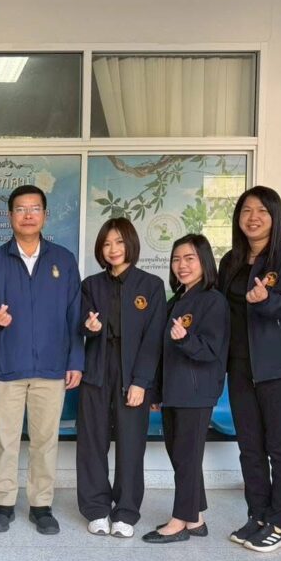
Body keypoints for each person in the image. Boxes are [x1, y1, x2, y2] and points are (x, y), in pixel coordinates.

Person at [0, 184, 84, 535]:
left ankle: (41, 505)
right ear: (10, 216)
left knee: (45, 441)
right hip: (6, 366)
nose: (28, 215)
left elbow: (75, 314)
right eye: (20, 209)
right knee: (5, 440)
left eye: (34, 208)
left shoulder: (63, 260)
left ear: (45, 215)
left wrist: (75, 360)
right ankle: (3, 504)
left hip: (51, 368)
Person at [218, 186, 281, 553]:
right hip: (240, 366)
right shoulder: (231, 260)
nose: (253, 217)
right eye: (246, 210)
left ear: (275, 216)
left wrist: (265, 299)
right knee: (249, 446)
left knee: (280, 446)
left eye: (261, 210)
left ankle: (280, 522)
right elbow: (221, 310)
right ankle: (257, 515)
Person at [77, 218, 166, 538]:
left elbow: (153, 338)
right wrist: (89, 327)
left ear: (131, 244)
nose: (113, 249)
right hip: (96, 369)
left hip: (133, 371)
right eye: (106, 243)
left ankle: (126, 512)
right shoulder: (91, 285)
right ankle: (96, 509)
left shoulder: (151, 285)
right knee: (92, 442)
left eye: (118, 242)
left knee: (131, 444)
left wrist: (141, 381)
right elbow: (79, 324)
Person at [142, 234, 228, 544]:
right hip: (174, 392)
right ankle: (196, 519)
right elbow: (162, 353)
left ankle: (179, 521)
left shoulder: (213, 301)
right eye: (177, 259)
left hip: (196, 391)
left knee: (187, 457)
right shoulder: (176, 300)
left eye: (189, 258)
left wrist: (186, 340)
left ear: (204, 261)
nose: (182, 265)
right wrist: (156, 392)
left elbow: (212, 350)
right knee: (181, 456)